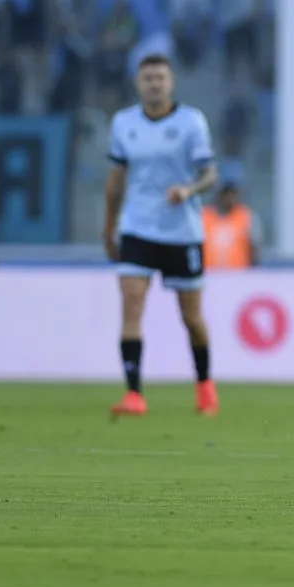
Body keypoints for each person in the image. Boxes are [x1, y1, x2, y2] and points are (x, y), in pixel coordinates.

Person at [103, 54, 220, 417]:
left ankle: (204, 384)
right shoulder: (123, 123)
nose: (154, 83)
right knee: (132, 306)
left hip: (182, 230)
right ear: (138, 83)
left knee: (191, 318)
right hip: (137, 227)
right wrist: (109, 227)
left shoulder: (190, 122)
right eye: (148, 78)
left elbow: (209, 175)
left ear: (170, 83)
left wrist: (188, 190)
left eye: (160, 78)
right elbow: (116, 181)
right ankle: (134, 394)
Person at [203, 182, 264, 269]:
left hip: (238, 276)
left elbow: (255, 248)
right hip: (209, 274)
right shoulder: (203, 216)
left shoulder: (247, 216)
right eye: (226, 194)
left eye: (233, 194)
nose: (230, 198)